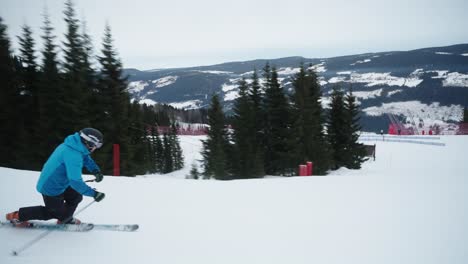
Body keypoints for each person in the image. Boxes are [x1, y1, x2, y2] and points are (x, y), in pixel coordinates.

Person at [6, 128, 106, 226]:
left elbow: (86, 158)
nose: (96, 148)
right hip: (51, 186)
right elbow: (75, 181)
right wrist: (94, 193)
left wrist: (95, 170)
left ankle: (65, 219)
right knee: (53, 212)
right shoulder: (73, 155)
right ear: (88, 143)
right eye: (96, 145)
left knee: (75, 198)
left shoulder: (75, 146)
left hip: (63, 182)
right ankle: (18, 216)